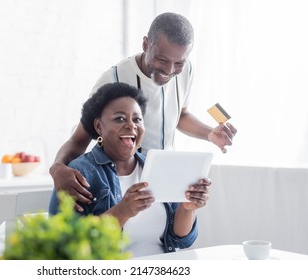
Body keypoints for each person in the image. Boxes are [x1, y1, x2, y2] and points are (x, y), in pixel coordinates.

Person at [50, 12, 237, 211]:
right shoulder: (113, 79)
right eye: (162, 60)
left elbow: (180, 115)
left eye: (179, 63)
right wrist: (57, 168)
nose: (170, 70)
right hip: (123, 181)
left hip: (165, 176)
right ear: (146, 44)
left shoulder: (186, 70)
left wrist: (209, 134)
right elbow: (79, 139)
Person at [49, 82, 211, 257]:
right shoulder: (79, 174)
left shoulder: (159, 166)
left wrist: (187, 208)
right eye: (119, 118)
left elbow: (180, 239)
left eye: (137, 119)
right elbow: (67, 248)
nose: (131, 125)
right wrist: (121, 212)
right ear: (98, 127)